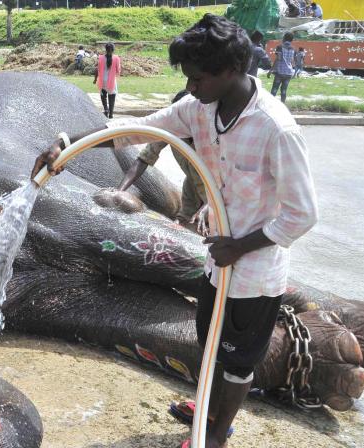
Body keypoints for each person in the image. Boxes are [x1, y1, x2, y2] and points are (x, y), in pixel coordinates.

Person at [32, 14, 317, 448]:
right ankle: (208, 405)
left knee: (239, 359)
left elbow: (302, 215)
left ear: (232, 70)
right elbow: (133, 132)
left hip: (256, 270)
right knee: (210, 341)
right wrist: (68, 144)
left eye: (198, 77)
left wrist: (240, 246)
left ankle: (217, 432)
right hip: (215, 258)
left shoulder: (276, 129)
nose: (191, 85)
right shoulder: (197, 108)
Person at [116, 90, 208, 233]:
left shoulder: (213, 133)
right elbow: (142, 160)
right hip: (192, 192)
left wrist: (211, 206)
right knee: (181, 227)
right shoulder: (172, 128)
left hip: (220, 196)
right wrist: (119, 191)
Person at [93, 42, 121, 119]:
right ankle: (111, 114)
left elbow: (97, 69)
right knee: (112, 97)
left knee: (103, 95)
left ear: (105, 49)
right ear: (113, 50)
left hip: (102, 80)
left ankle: (106, 109)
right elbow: (118, 70)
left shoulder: (101, 57)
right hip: (111, 81)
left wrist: (95, 79)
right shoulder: (116, 58)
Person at [271, 32, 296, 103]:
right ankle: (283, 106)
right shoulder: (293, 49)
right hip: (289, 73)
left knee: (274, 90)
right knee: (284, 90)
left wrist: (271, 70)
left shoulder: (280, 47)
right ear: (292, 40)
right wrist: (294, 72)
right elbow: (292, 61)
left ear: (284, 38)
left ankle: (270, 105)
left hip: (280, 72)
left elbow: (278, 59)